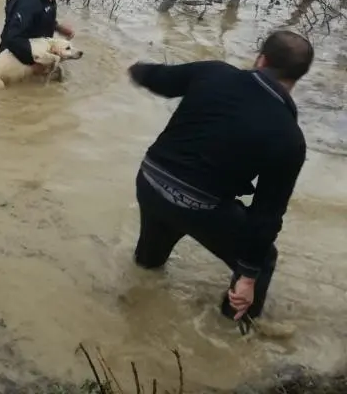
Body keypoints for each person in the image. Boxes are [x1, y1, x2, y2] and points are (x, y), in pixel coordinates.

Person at [127, 30, 313, 328]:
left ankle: (132, 298)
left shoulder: (213, 72)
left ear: (260, 59)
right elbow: (266, 214)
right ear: (299, 76)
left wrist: (138, 70)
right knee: (262, 260)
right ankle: (234, 327)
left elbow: (159, 78)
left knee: (150, 260)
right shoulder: (289, 138)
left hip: (150, 179)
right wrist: (249, 274)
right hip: (199, 206)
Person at [0, 0, 74, 73]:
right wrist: (35, 61)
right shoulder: (26, 1)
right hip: (13, 65)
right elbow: (12, 39)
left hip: (34, 58)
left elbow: (38, 18)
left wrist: (58, 27)